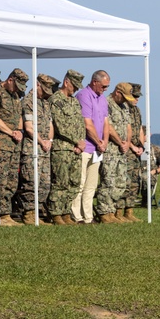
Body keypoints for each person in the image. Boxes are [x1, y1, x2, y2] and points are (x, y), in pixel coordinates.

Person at [47, 70, 86, 225]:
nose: (75, 89)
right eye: (74, 85)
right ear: (66, 82)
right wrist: (77, 141)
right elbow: (60, 125)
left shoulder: (74, 101)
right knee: (60, 182)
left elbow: (80, 124)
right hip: (62, 148)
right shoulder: (55, 100)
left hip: (76, 148)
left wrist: (81, 143)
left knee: (74, 182)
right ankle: (56, 213)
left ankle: (66, 211)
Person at [72, 70, 111, 224]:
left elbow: (106, 122)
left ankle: (88, 216)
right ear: (95, 82)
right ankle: (77, 216)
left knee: (91, 185)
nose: (105, 89)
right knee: (80, 183)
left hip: (97, 149)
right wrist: (98, 142)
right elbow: (87, 124)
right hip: (86, 147)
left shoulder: (103, 99)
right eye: (103, 86)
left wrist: (105, 142)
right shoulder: (84, 96)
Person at [0, 67, 27, 225]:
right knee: (1, 180)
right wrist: (11, 132)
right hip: (2, 143)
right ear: (10, 80)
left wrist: (18, 130)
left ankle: (6, 213)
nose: (17, 90)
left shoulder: (16, 96)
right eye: (16, 86)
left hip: (14, 144)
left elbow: (19, 116)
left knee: (12, 180)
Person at [18, 74, 56, 224]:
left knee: (45, 184)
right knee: (31, 182)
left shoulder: (45, 103)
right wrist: (41, 141)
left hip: (45, 149)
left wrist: (50, 140)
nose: (46, 94)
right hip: (32, 148)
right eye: (44, 90)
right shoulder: (28, 102)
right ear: (38, 85)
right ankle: (29, 214)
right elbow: (29, 127)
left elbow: (50, 125)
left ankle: (37, 213)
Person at [94, 82, 134, 224]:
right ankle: (105, 212)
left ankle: (113, 210)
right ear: (117, 92)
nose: (125, 100)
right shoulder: (106, 103)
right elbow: (107, 126)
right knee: (108, 181)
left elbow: (128, 126)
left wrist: (127, 143)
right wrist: (120, 142)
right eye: (123, 97)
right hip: (111, 149)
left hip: (122, 151)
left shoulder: (124, 106)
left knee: (121, 182)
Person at [124, 83, 146, 221]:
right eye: (134, 96)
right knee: (125, 182)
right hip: (128, 151)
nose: (136, 99)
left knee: (134, 183)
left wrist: (142, 147)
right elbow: (124, 132)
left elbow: (140, 130)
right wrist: (132, 146)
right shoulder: (123, 110)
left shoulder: (137, 110)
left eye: (138, 97)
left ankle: (129, 211)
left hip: (137, 151)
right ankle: (120, 211)